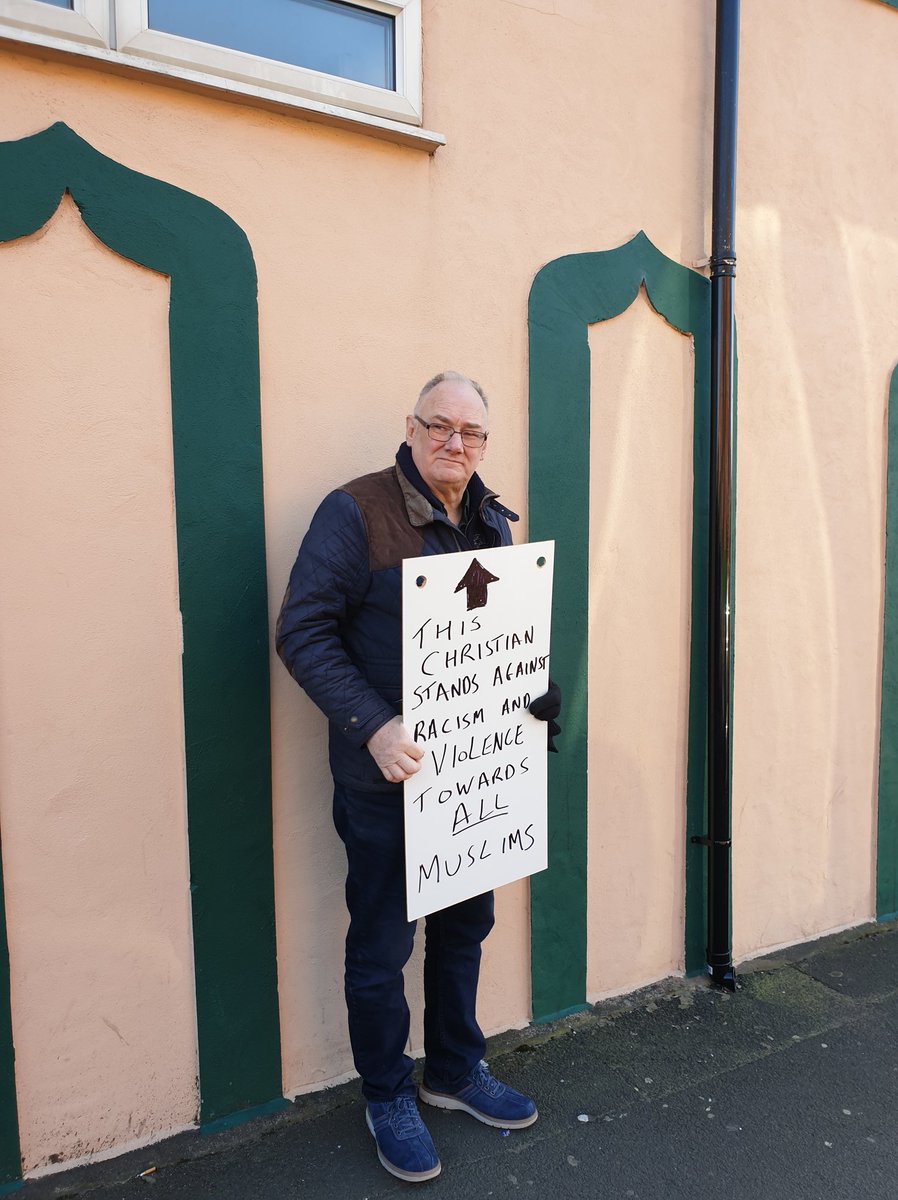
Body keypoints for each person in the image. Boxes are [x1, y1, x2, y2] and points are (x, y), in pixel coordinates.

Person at [276, 371, 560, 1183]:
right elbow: (302, 631)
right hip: (387, 783)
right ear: (410, 428)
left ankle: (453, 1072)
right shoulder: (355, 511)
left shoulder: (491, 521)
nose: (455, 444)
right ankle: (387, 1093)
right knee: (382, 942)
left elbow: (495, 639)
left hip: (473, 779)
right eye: (440, 426)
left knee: (467, 925)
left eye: (471, 433)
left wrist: (531, 692)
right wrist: (373, 725)